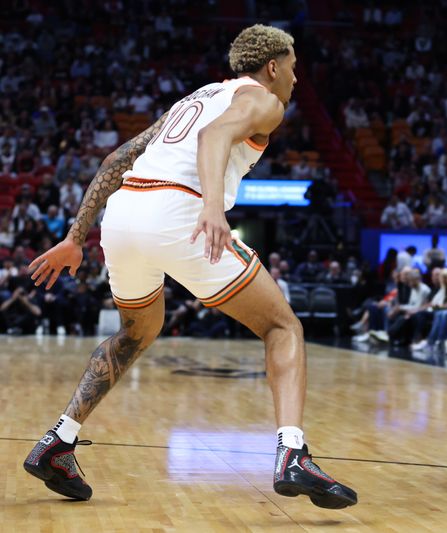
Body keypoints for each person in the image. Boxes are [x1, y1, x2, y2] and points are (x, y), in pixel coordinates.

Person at [22, 25, 356, 509]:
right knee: (283, 326)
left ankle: (58, 442)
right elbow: (217, 134)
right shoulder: (264, 99)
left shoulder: (194, 97)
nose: (296, 80)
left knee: (136, 332)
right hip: (178, 212)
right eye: (294, 68)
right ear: (273, 66)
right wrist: (214, 208)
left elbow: (118, 159)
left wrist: (77, 238)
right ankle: (293, 454)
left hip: (124, 213)